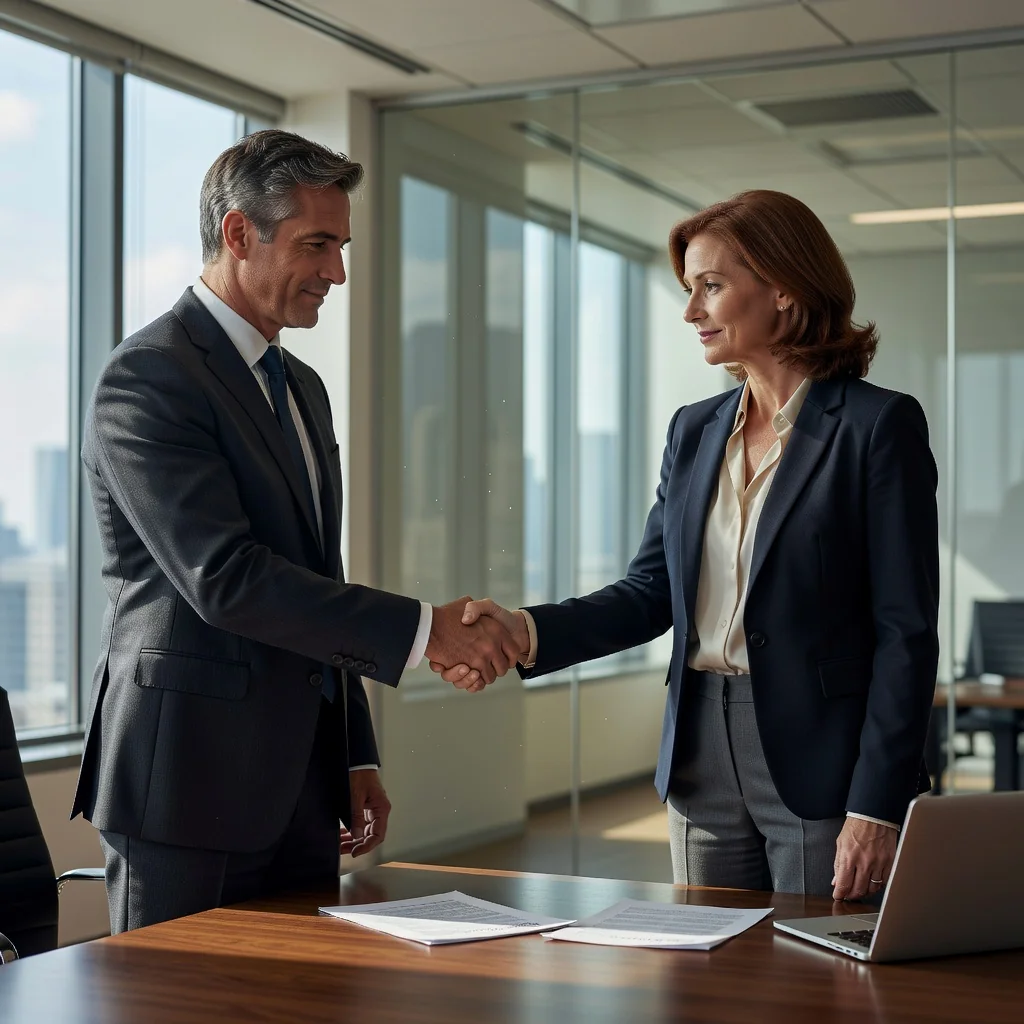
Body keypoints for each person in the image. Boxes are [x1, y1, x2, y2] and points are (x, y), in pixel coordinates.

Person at [435, 190, 940, 901]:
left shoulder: (876, 426)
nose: (691, 311)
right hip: (699, 751)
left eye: (711, 286)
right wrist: (524, 631)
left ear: (784, 290)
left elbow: (905, 631)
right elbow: (650, 593)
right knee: (706, 958)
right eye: (688, 290)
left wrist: (877, 805)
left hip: (824, 758)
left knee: (814, 964)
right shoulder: (694, 429)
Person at [72, 130, 518, 933]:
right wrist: (428, 631)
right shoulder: (148, 376)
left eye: (340, 247)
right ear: (239, 233)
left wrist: (353, 750)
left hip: (303, 790)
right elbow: (226, 579)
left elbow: (318, 576)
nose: (336, 272)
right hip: (186, 786)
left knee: (306, 996)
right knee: (176, 998)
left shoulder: (302, 386)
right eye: (317, 245)